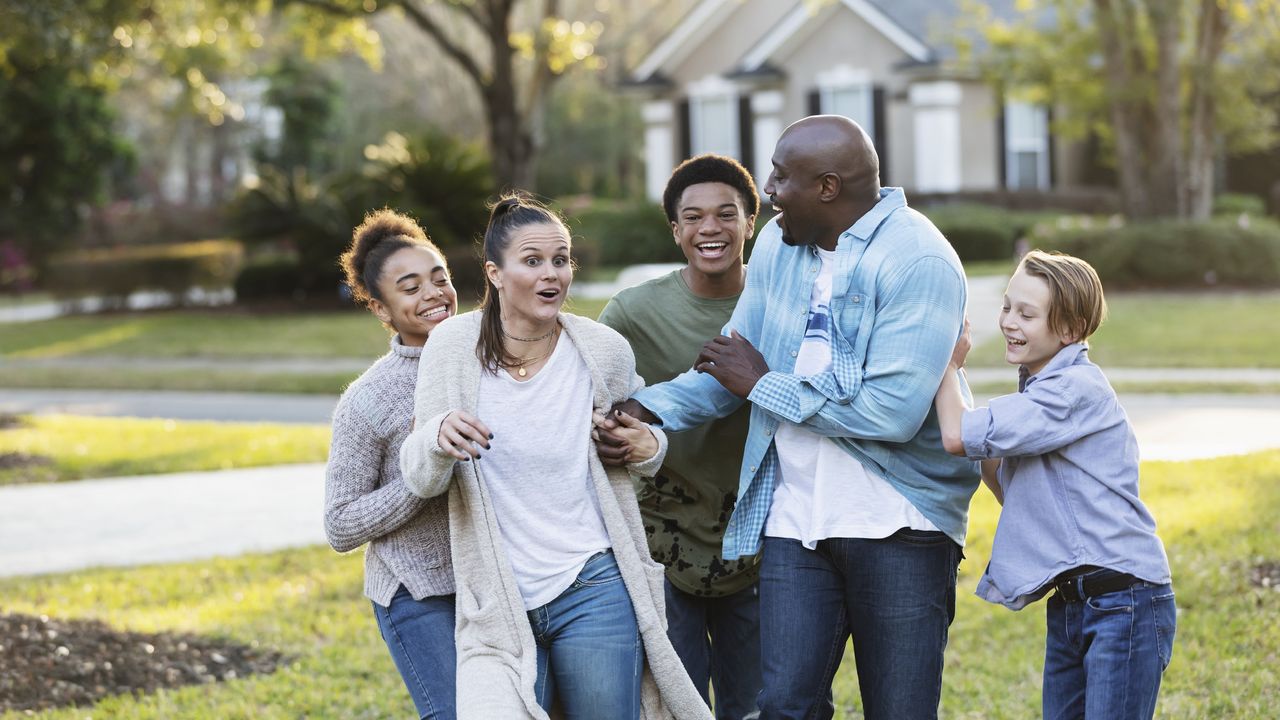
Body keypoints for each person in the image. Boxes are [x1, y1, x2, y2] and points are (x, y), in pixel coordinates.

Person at [598, 115, 978, 720]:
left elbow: (892, 413)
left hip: (901, 525)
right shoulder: (781, 244)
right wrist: (649, 408)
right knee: (783, 709)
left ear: (827, 187)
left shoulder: (919, 260)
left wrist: (764, 384)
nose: (768, 190)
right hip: (796, 520)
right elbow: (729, 365)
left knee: (899, 709)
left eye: (781, 176)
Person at [398, 192, 713, 720]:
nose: (553, 275)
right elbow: (421, 477)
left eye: (561, 260)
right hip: (496, 598)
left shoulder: (601, 351)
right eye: (533, 261)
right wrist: (436, 439)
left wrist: (648, 445)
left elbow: (639, 441)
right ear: (495, 273)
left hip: (595, 586)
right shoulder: (451, 348)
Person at [934, 250, 1175, 720]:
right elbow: (1006, 486)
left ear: (1070, 329)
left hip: (1122, 600)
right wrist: (959, 386)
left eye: (1027, 314)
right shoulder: (1038, 395)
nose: (1008, 322)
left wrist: (945, 366)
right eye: (1007, 307)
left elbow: (955, 436)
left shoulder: (1073, 390)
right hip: (1071, 601)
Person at [597, 153, 763, 719]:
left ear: (751, 222)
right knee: (674, 705)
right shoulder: (633, 313)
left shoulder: (779, 304)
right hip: (659, 541)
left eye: (726, 214)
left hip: (763, 536)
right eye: (692, 217)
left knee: (760, 705)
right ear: (675, 229)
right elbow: (594, 407)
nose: (709, 228)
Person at [324, 209, 459, 719]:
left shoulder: (490, 362)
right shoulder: (369, 400)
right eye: (411, 287)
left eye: (439, 278)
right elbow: (339, 525)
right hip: (415, 592)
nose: (433, 294)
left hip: (493, 577)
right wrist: (425, 469)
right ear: (382, 310)